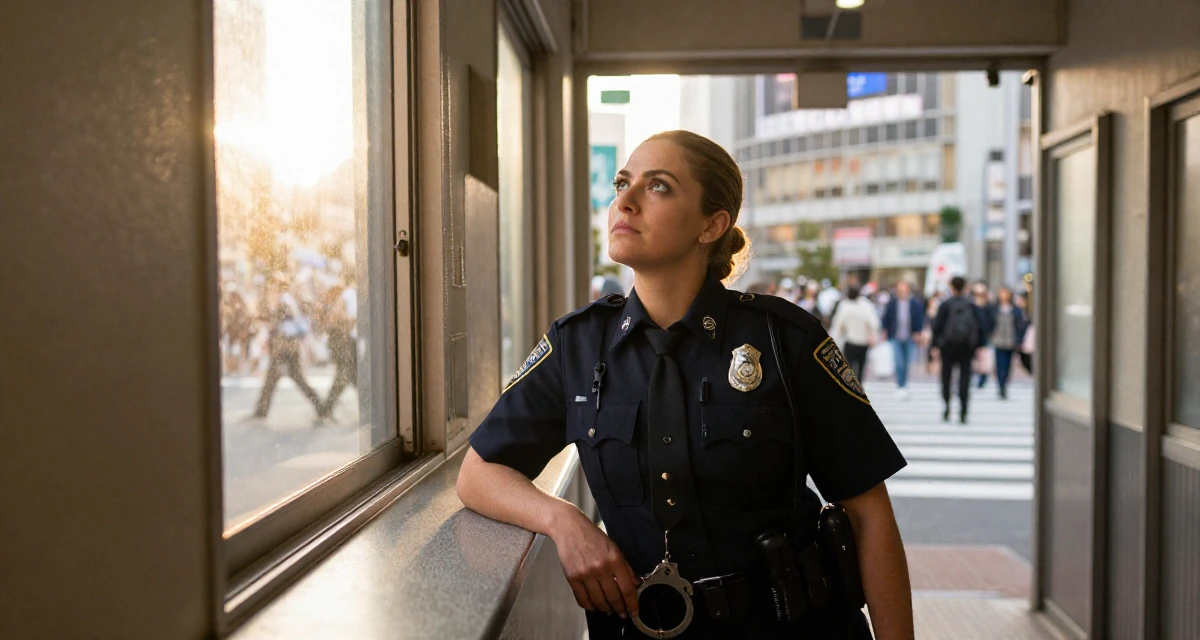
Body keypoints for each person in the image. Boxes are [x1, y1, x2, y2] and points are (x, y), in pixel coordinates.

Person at [458, 131, 913, 640]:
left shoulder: (783, 339)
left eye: (658, 187)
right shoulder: (577, 346)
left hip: (789, 625)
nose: (623, 202)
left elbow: (868, 513)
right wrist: (566, 522)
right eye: (622, 182)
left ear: (711, 225)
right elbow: (479, 474)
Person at [253, 289, 324, 420]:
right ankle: (261, 411)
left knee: (293, 379)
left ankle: (320, 407)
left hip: (285, 346)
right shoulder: (285, 300)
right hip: (285, 346)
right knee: (274, 379)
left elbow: (287, 322)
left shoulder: (284, 299)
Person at [931, 277, 986, 424]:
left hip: (947, 346)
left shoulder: (945, 305)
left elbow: (937, 327)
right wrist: (979, 346)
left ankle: (947, 406)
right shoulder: (971, 306)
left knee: (946, 376)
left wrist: (934, 346)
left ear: (951, 287)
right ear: (965, 287)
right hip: (967, 347)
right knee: (965, 377)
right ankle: (963, 410)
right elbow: (981, 327)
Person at [881, 281, 925, 399]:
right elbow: (885, 319)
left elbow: (919, 319)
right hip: (896, 337)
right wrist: (884, 331)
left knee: (907, 362)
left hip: (910, 337)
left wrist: (918, 332)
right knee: (899, 362)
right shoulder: (892, 304)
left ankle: (904, 383)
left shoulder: (915, 304)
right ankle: (900, 384)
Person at [830, 286, 881, 382]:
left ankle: (852, 388)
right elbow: (874, 323)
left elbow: (838, 323)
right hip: (863, 342)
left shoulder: (845, 306)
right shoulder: (866, 305)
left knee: (849, 368)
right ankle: (860, 387)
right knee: (861, 368)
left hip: (850, 341)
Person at [989, 286, 1027, 399]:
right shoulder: (995, 309)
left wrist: (1019, 340)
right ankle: (1000, 385)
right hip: (998, 340)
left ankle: (1004, 383)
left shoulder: (1016, 310)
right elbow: (989, 323)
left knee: (1008, 364)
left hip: (1011, 341)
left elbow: (1021, 326)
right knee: (999, 364)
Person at [971, 280, 995, 389]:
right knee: (973, 358)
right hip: (971, 335)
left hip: (985, 336)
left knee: (984, 358)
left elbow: (991, 321)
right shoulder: (970, 305)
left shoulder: (989, 306)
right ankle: (972, 376)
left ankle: (982, 378)